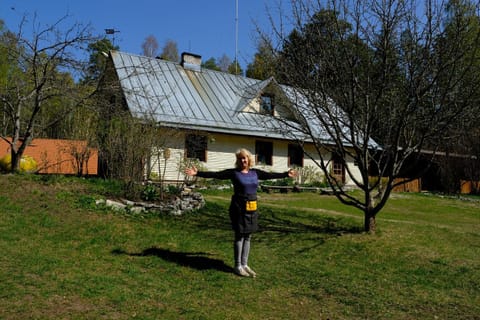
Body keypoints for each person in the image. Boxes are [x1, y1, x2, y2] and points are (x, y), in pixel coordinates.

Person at [185, 148, 297, 277]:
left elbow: (270, 175)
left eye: (245, 158)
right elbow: (216, 174)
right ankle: (237, 265)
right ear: (238, 161)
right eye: (240, 158)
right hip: (238, 208)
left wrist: (286, 174)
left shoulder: (255, 173)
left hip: (252, 208)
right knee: (239, 235)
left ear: (249, 159)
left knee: (248, 236)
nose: (243, 160)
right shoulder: (234, 173)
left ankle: (245, 264)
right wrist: (197, 173)